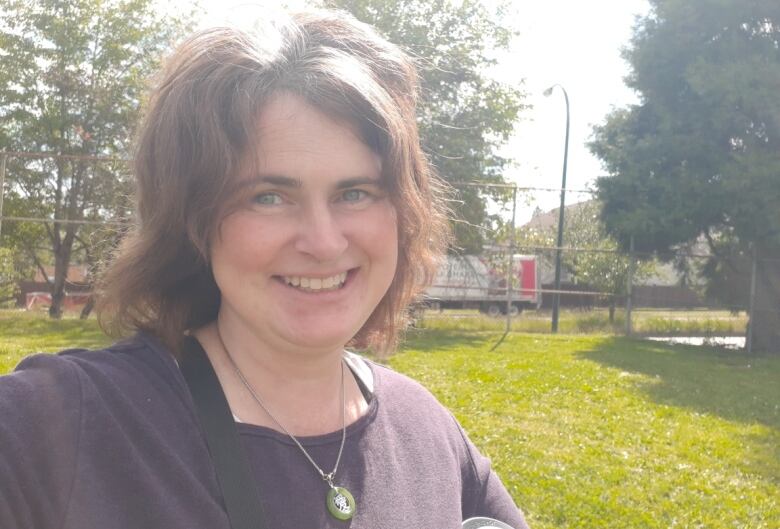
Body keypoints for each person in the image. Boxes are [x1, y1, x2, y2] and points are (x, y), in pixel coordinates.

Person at [0, 9, 530, 529]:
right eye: (269, 196)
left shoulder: (427, 430)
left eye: (355, 192)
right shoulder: (53, 428)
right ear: (194, 219)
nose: (324, 242)